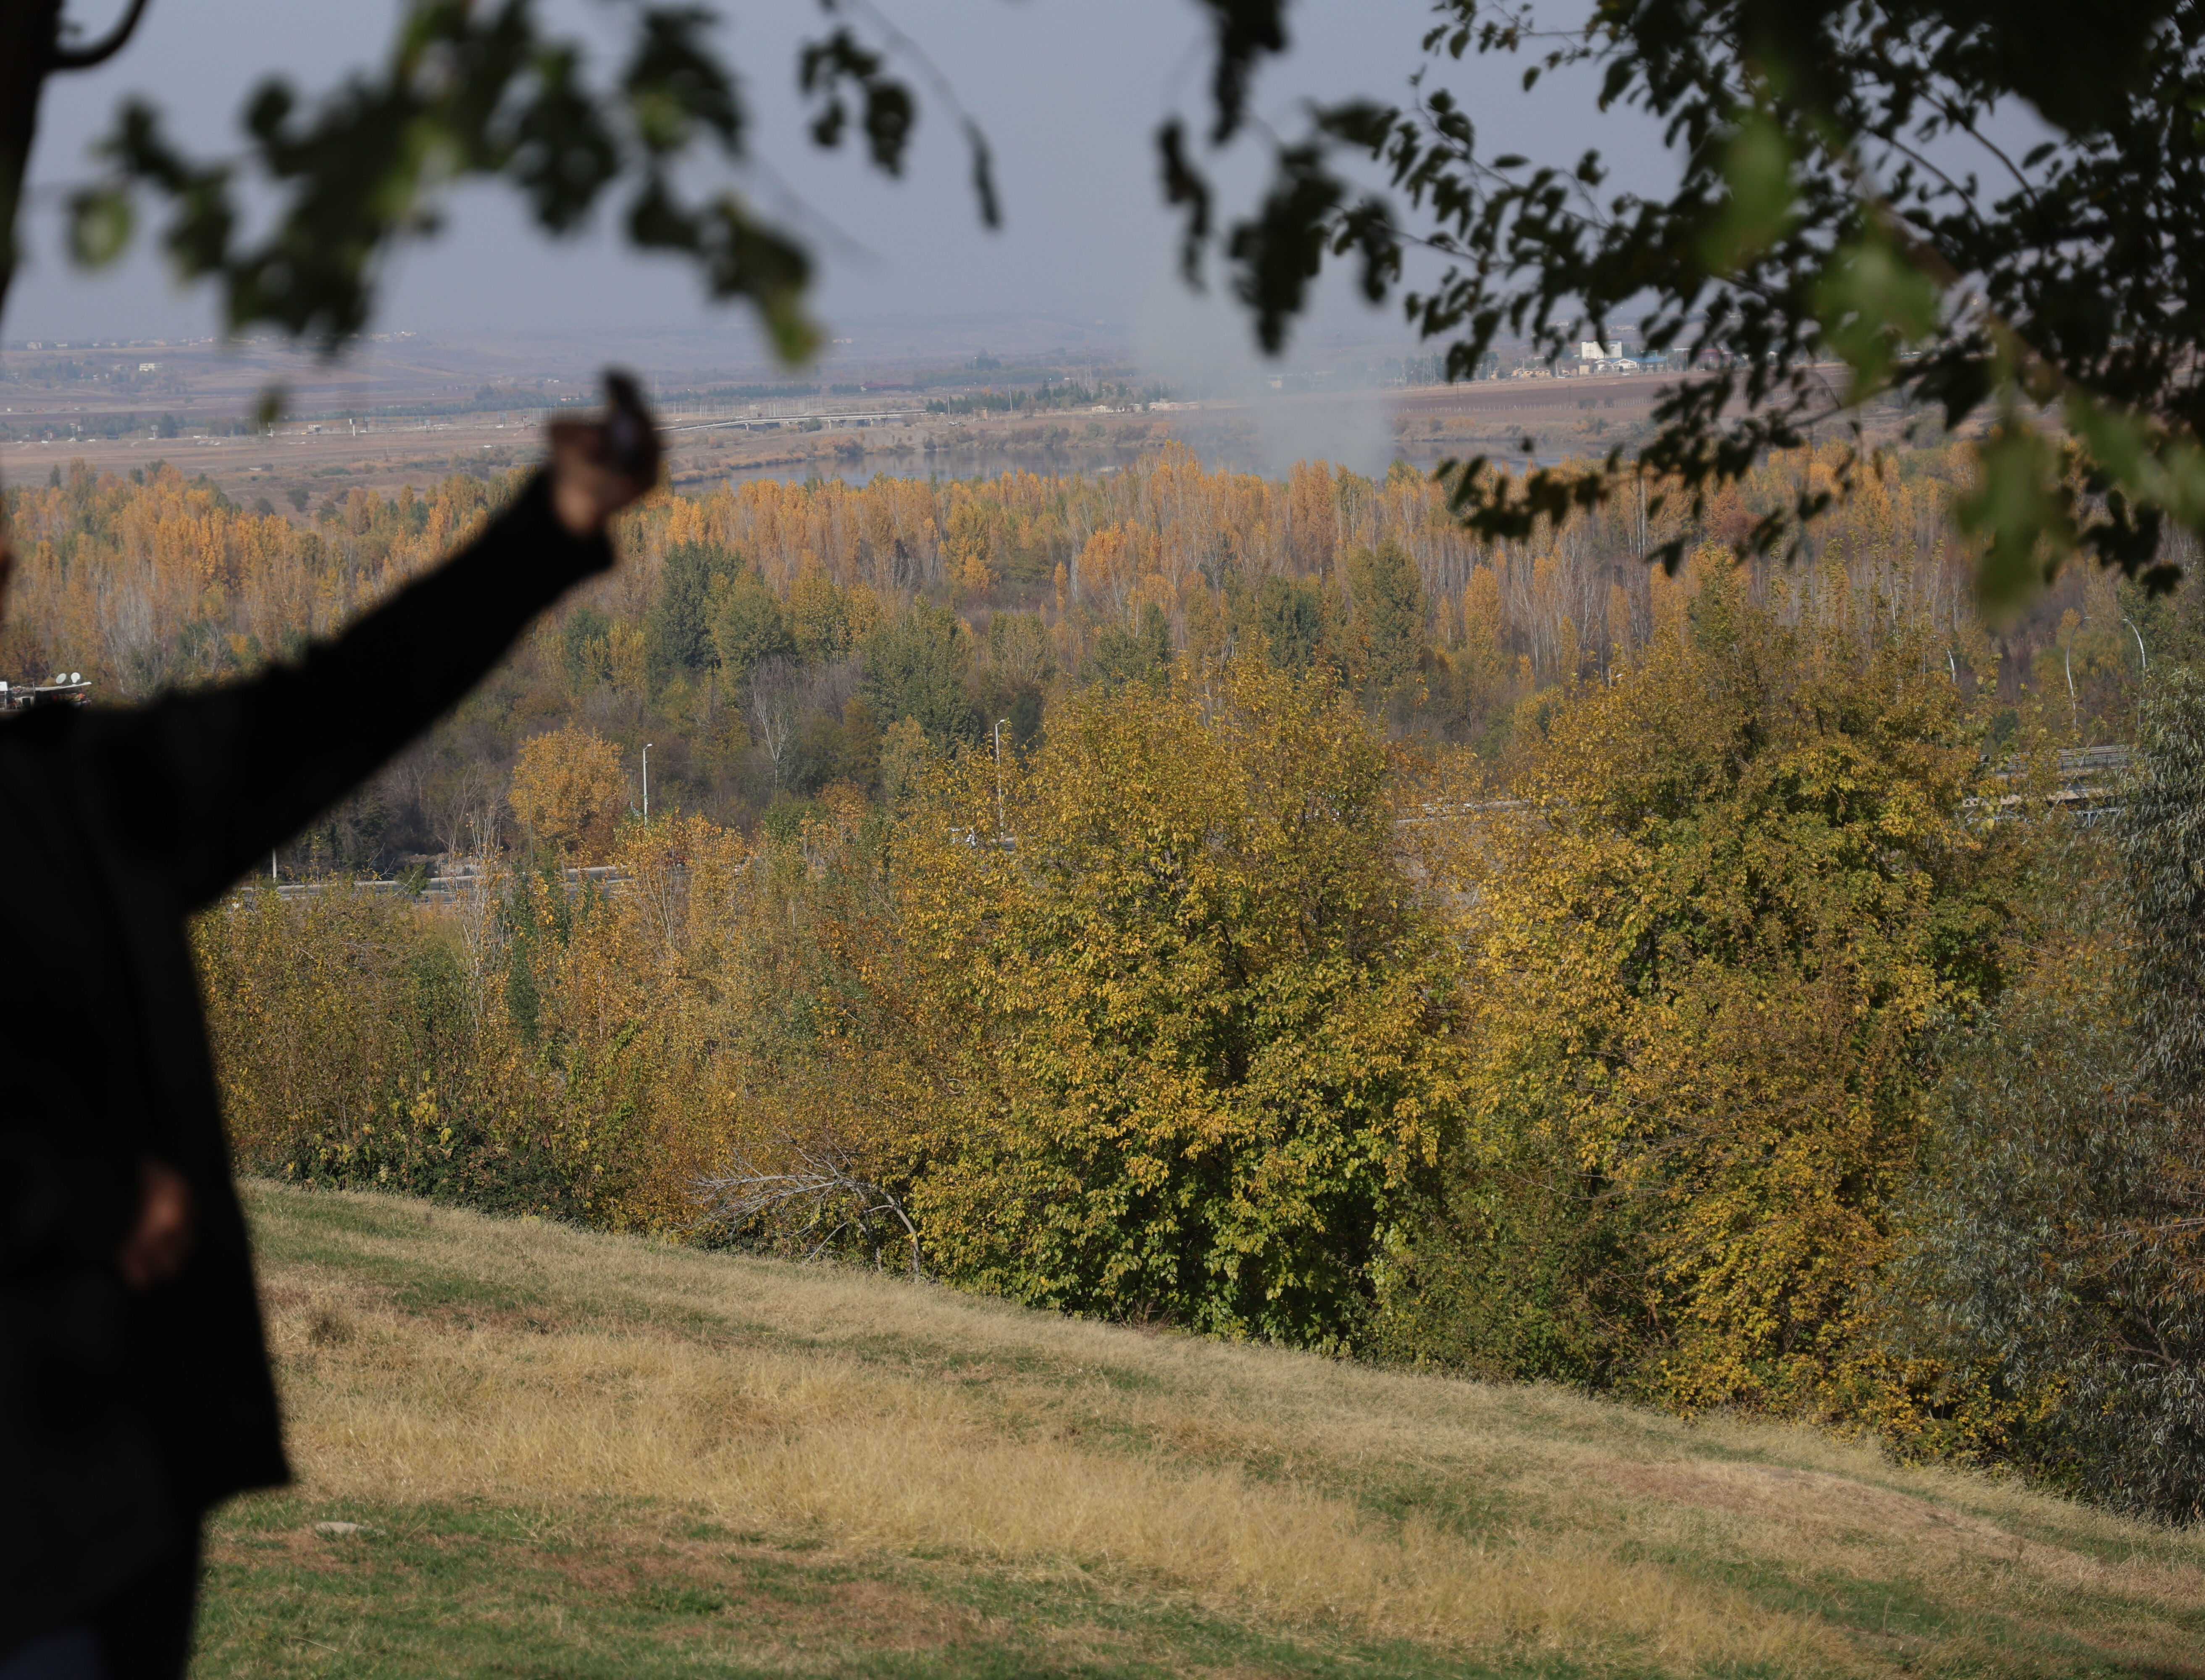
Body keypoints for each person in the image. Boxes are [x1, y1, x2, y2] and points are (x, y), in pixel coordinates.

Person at [0, 382, 662, 1679]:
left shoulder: (73, 802)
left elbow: (323, 714)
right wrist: (80, 1192)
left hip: (108, 1510)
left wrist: (554, 526)